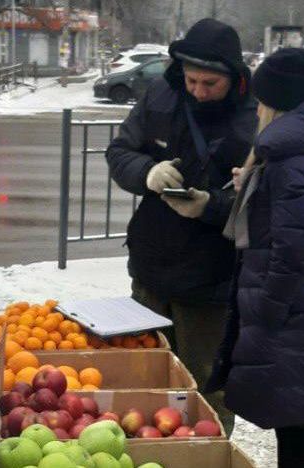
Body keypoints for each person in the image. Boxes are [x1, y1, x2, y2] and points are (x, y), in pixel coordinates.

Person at [105, 18, 257, 436]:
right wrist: (147, 172)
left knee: (207, 388)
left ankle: (209, 455)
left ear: (234, 77)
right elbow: (120, 151)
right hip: (152, 266)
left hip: (212, 279)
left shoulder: (254, 117)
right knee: (144, 379)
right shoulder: (161, 95)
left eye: (210, 83)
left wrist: (212, 206)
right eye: (192, 80)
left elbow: (263, 202)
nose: (199, 91)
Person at [206, 48, 304, 467]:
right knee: (303, 422)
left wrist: (267, 310)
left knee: (298, 432)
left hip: (296, 312)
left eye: (260, 100)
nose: (256, 109)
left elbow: (292, 250)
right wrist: (256, 184)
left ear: (274, 101)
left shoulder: (291, 159)